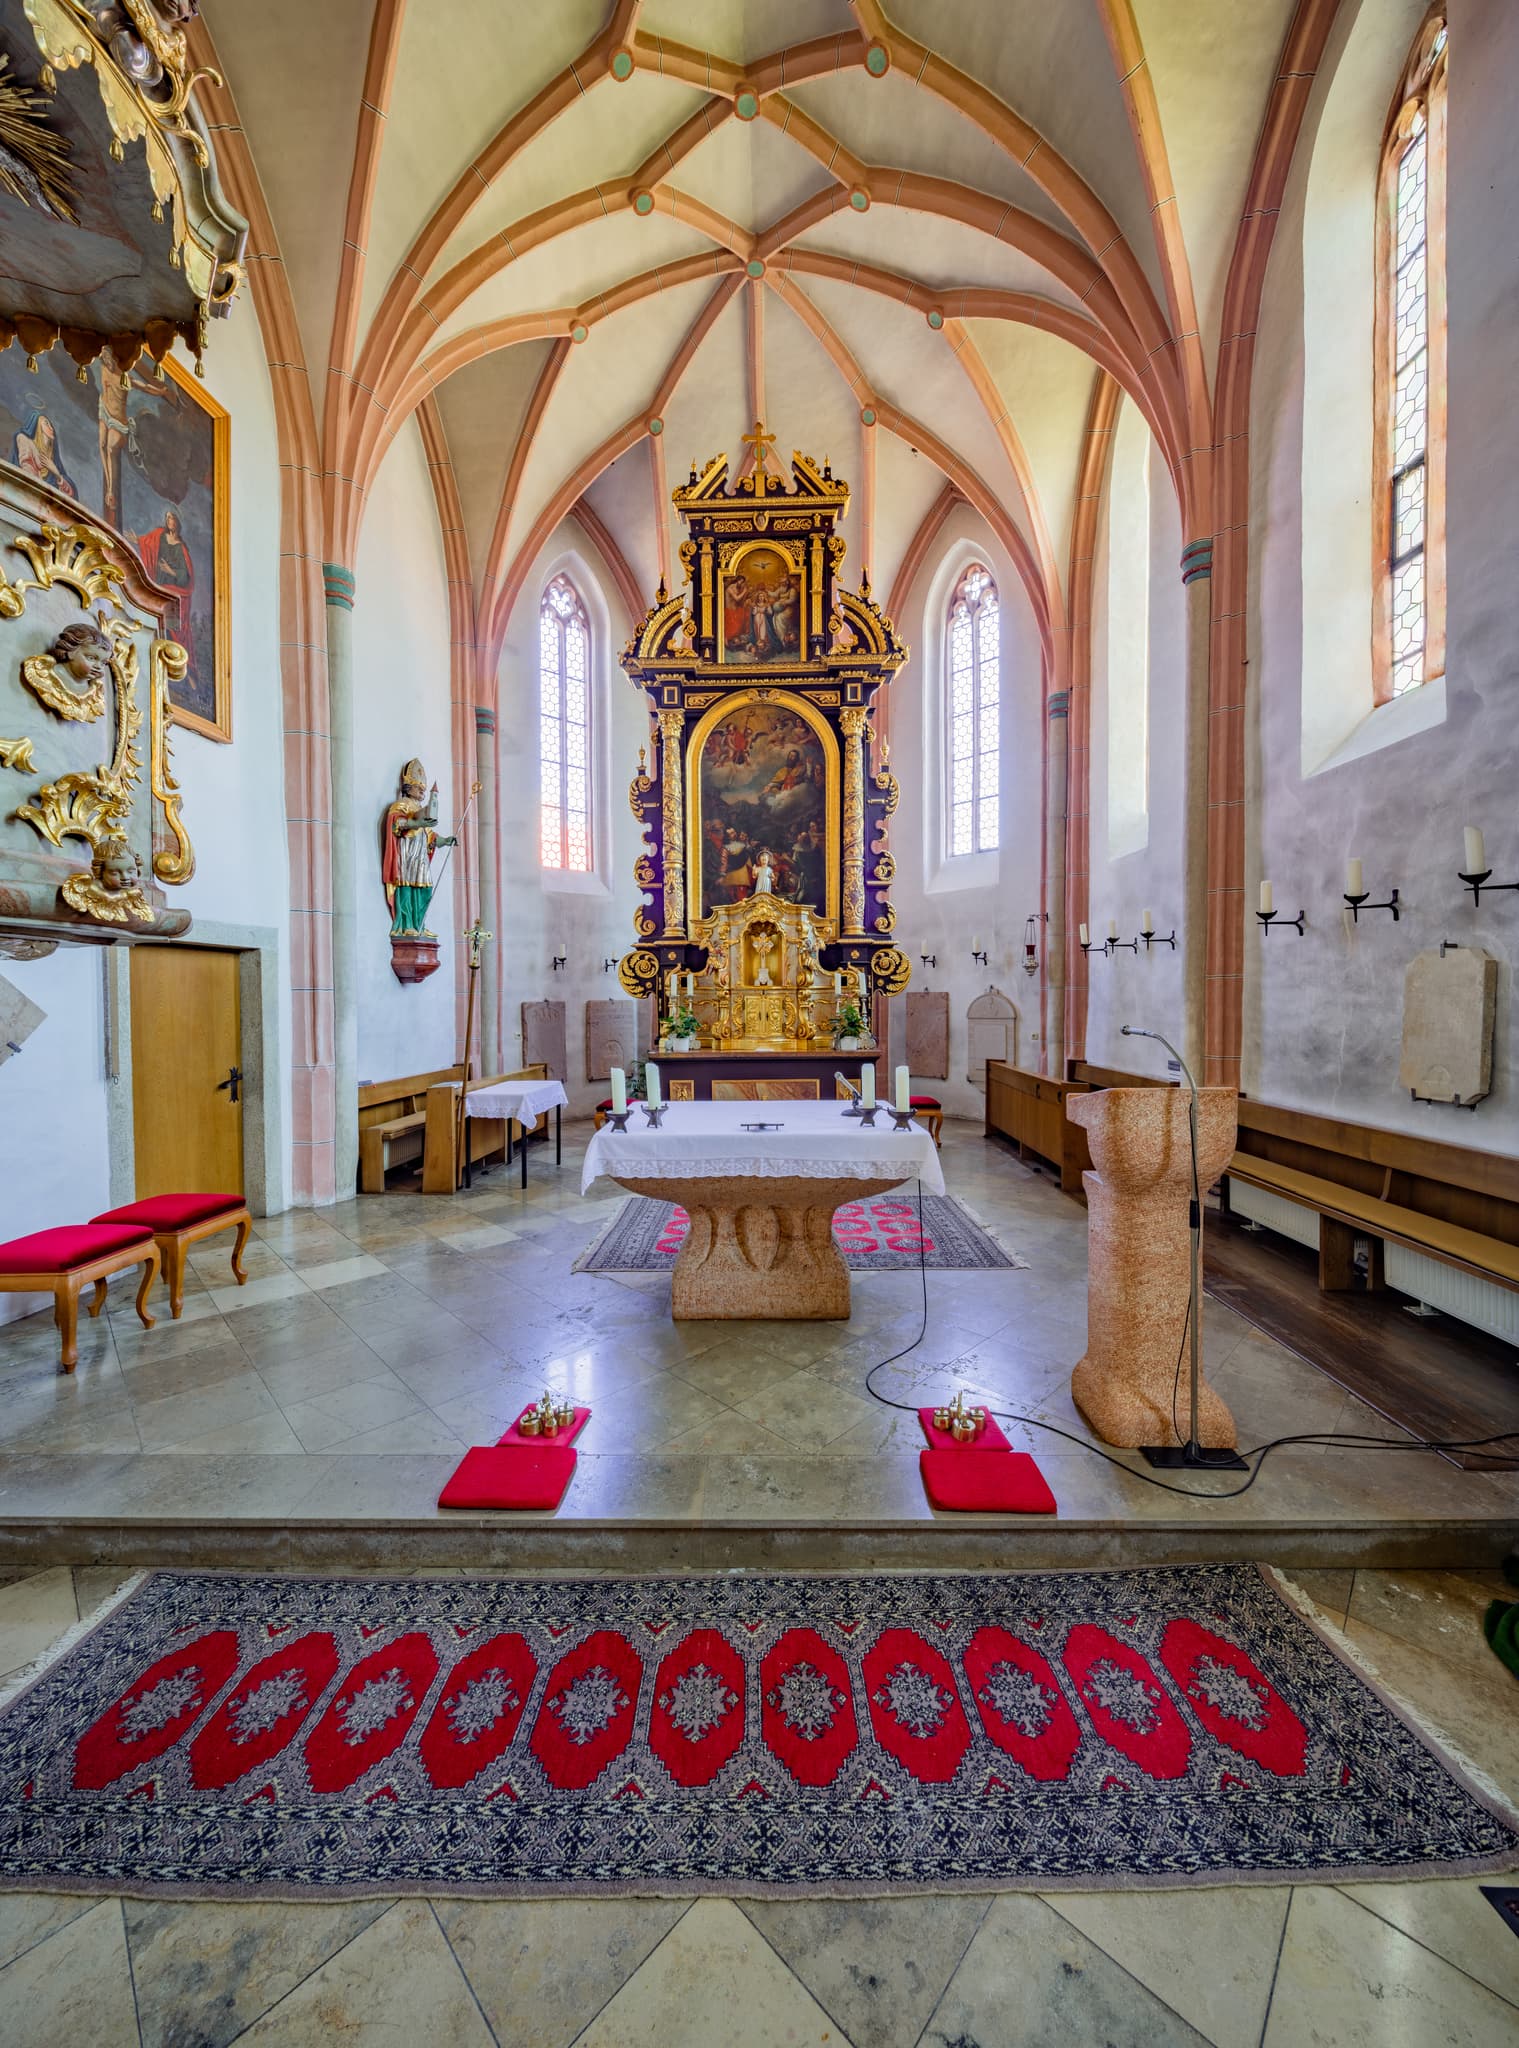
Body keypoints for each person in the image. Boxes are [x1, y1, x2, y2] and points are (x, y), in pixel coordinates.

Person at [382, 759, 455, 936]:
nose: (422, 791)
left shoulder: (422, 809)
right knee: (407, 885)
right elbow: (396, 823)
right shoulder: (401, 805)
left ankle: (419, 923)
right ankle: (407, 924)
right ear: (408, 788)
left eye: (424, 788)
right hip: (406, 853)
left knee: (425, 888)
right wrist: (415, 823)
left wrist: (445, 840)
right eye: (419, 787)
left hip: (420, 855)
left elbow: (430, 836)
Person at [138, 507, 193, 643]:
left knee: (169, 632)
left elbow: (186, 577)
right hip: (158, 589)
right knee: (154, 626)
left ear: (177, 522)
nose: (169, 520)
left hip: (172, 594)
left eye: (172, 518)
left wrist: (170, 571)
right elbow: (149, 543)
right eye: (167, 518)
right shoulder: (161, 536)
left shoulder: (181, 548)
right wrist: (138, 540)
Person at [12, 410, 77, 498]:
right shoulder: (26, 443)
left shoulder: (53, 460)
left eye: (51, 425)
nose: (51, 428)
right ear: (38, 426)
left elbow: (71, 493)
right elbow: (28, 474)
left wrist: (56, 473)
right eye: (46, 423)